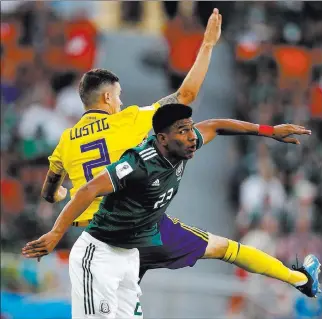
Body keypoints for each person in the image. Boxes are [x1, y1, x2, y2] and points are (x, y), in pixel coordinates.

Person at [23, 104, 321, 318]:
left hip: (152, 233)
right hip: (111, 247)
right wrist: (54, 234)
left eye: (191, 128)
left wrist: (269, 131)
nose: (193, 136)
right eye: (183, 131)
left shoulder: (183, 145)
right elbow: (88, 190)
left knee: (225, 248)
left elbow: (216, 125)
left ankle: (302, 281)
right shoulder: (138, 163)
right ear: (162, 138)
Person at [39, 8, 222, 228]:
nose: (121, 102)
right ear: (107, 97)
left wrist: (57, 194)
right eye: (118, 96)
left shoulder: (68, 139)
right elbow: (186, 95)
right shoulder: (129, 120)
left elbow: (49, 190)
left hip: (85, 231)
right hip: (123, 226)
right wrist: (208, 44)